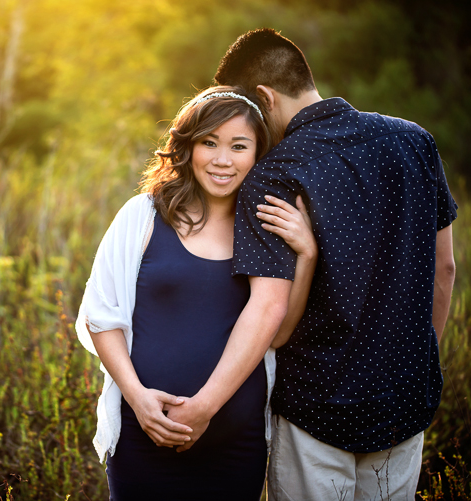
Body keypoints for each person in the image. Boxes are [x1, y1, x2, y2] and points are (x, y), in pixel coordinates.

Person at [193, 28, 456, 500]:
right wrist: (410, 369)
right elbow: (446, 270)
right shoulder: (415, 141)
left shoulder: (274, 175)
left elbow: (270, 320)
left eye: (246, 115)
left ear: (263, 98)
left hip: (314, 411)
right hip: (405, 404)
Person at [75, 85, 318, 500]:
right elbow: (101, 315)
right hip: (142, 433)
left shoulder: (265, 226)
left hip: (234, 444)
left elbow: (277, 332)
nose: (223, 160)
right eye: (210, 143)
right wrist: (138, 400)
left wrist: (307, 255)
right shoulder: (143, 215)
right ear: (188, 147)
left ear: (258, 154)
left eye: (239, 146)